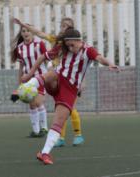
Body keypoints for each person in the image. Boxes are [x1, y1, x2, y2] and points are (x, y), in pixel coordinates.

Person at [18, 29, 120, 164]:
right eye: (68, 46)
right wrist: (30, 74)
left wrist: (110, 64)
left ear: (79, 40)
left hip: (70, 90)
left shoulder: (88, 50)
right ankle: (27, 86)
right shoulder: (62, 47)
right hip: (58, 79)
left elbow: (100, 58)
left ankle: (44, 153)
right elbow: (43, 56)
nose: (70, 48)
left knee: (59, 121)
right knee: (52, 73)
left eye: (73, 45)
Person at [14, 17, 84, 146]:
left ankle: (78, 134)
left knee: (70, 108)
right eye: (62, 26)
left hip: (71, 80)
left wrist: (81, 83)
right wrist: (24, 24)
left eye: (67, 26)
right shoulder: (56, 41)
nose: (64, 28)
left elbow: (82, 64)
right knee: (59, 108)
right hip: (58, 79)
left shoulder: (76, 45)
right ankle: (61, 138)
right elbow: (39, 33)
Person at [11, 26, 48, 137]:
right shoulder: (20, 48)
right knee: (32, 104)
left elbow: (47, 59)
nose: (26, 33)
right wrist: (20, 82)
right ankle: (36, 131)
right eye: (23, 31)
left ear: (32, 33)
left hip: (40, 76)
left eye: (28, 31)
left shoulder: (39, 44)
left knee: (38, 102)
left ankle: (44, 128)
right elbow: (21, 65)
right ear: (21, 34)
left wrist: (49, 74)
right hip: (27, 78)